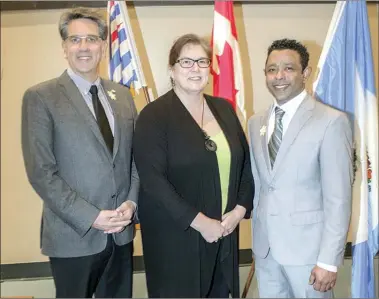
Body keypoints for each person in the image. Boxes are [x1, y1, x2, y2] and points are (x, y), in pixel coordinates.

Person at [21, 7, 139, 298]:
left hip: (121, 236)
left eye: (91, 39)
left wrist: (132, 203)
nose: (83, 47)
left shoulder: (122, 96)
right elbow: (41, 173)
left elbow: (134, 161)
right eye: (75, 40)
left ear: (102, 44)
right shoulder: (41, 97)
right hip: (73, 237)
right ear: (64, 47)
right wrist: (91, 216)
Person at [133, 33, 254, 298]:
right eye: (186, 62)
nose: (196, 69)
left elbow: (246, 165)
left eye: (202, 61)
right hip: (177, 239)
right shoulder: (154, 116)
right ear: (172, 70)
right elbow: (153, 181)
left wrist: (239, 210)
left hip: (225, 232)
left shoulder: (224, 109)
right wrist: (200, 223)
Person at [248, 38, 353, 298]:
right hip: (266, 251)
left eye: (288, 68)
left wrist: (329, 260)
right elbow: (261, 186)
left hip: (310, 255)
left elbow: (338, 198)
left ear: (305, 73)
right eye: (272, 69)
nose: (279, 76)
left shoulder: (331, 121)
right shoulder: (255, 122)